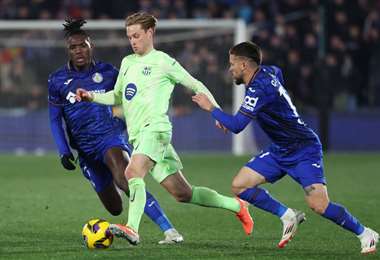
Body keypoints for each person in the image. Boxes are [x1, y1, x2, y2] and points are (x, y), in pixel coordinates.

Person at [75, 12, 253, 245]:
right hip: (140, 137)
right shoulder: (128, 63)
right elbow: (117, 95)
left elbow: (195, 84)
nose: (133, 41)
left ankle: (132, 229)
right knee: (183, 193)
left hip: (156, 130)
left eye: (137, 35)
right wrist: (92, 97)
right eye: (129, 37)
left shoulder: (163, 61)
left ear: (150, 33)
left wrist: (215, 111)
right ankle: (236, 205)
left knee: (131, 172)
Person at [192, 41, 379, 254]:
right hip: (280, 149)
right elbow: (277, 73)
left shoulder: (259, 88)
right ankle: (288, 215)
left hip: (303, 149)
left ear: (244, 65)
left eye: (232, 63)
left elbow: (236, 126)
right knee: (240, 186)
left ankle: (366, 234)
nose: (230, 68)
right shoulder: (268, 73)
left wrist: (212, 109)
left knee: (319, 205)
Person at [48, 18, 183, 244]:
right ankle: (120, 188)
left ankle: (170, 231)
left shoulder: (109, 72)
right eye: (73, 47)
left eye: (83, 45)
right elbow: (55, 119)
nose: (79, 50)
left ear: (91, 46)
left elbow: (133, 93)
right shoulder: (57, 80)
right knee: (114, 208)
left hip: (110, 137)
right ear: (68, 51)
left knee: (126, 179)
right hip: (85, 149)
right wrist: (63, 150)